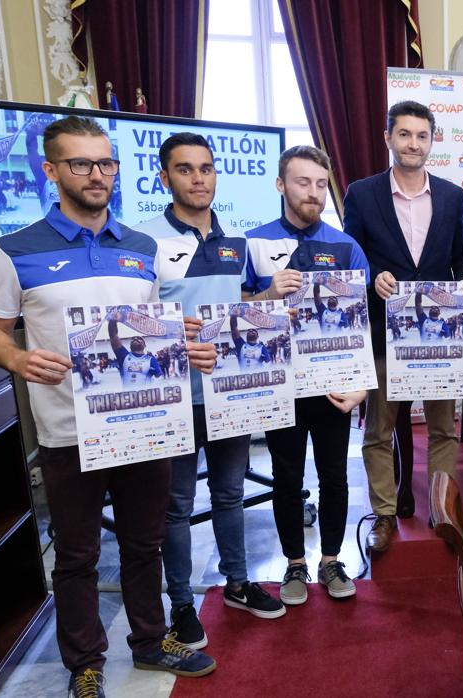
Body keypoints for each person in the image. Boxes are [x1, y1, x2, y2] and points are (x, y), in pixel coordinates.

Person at [0, 116, 217, 698]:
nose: (97, 175)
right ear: (51, 170)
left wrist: (186, 342)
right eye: (81, 164)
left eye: (106, 163)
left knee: (145, 542)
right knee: (78, 554)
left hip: (144, 423)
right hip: (67, 430)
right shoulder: (14, 250)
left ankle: (150, 641)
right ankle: (84, 662)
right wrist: (15, 359)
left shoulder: (141, 247)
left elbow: (153, 327)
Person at [135, 132, 285, 649]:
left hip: (230, 391)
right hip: (173, 393)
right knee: (175, 505)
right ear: (164, 177)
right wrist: (177, 328)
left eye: (205, 168)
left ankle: (238, 583)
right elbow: (135, 317)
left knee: (230, 492)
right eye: (185, 169)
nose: (198, 178)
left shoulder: (236, 242)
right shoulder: (143, 241)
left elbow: (244, 304)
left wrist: (269, 295)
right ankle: (180, 604)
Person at [342, 100, 463, 552]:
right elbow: (350, 263)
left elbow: (458, 261)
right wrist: (369, 279)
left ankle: (441, 512)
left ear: (432, 141)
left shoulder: (452, 195)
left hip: (439, 337)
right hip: (384, 335)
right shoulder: (362, 194)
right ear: (388, 138)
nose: (413, 144)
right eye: (404, 134)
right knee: (378, 432)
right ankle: (383, 517)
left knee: (442, 431)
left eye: (422, 136)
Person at [243, 145, 368, 602]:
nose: (312, 192)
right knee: (286, 477)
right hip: (280, 386)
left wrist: (361, 388)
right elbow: (235, 319)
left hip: (333, 386)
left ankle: (332, 561)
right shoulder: (252, 244)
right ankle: (295, 565)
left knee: (334, 476)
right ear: (281, 185)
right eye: (302, 182)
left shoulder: (346, 245)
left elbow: (361, 323)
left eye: (320, 184)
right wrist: (268, 295)